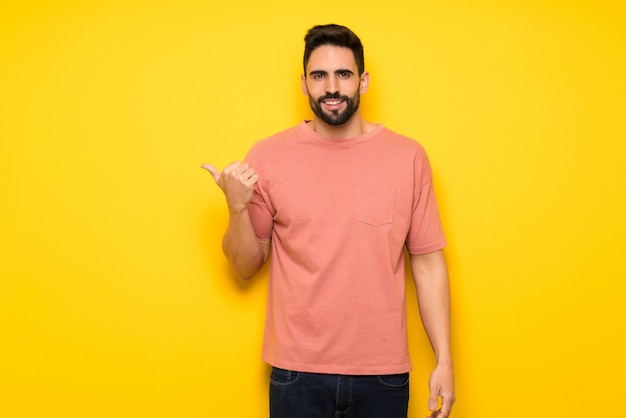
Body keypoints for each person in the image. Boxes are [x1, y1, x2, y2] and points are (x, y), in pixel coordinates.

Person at [202, 24, 455, 418]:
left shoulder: (408, 157)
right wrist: (236, 209)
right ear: (303, 83)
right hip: (296, 374)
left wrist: (444, 360)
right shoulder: (268, 156)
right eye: (319, 75)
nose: (331, 87)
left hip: (383, 375)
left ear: (363, 81)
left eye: (344, 74)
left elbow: (427, 264)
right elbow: (246, 265)